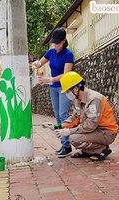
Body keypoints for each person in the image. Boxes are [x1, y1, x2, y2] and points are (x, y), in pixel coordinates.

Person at [54, 71, 119, 161]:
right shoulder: (78, 99)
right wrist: (60, 126)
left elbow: (90, 125)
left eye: (68, 91)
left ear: (76, 88)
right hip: (95, 130)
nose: (67, 94)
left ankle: (101, 149)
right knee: (74, 135)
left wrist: (69, 131)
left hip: (106, 132)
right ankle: (88, 151)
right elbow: (75, 118)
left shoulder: (93, 99)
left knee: (74, 138)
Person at [32, 27, 74, 158]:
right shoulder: (51, 52)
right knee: (57, 115)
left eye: (57, 43)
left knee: (63, 114)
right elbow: (39, 63)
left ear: (64, 41)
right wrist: (35, 64)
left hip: (65, 87)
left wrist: (49, 79)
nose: (55, 45)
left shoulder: (68, 54)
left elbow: (66, 75)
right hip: (53, 88)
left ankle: (67, 145)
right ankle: (63, 143)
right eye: (53, 43)